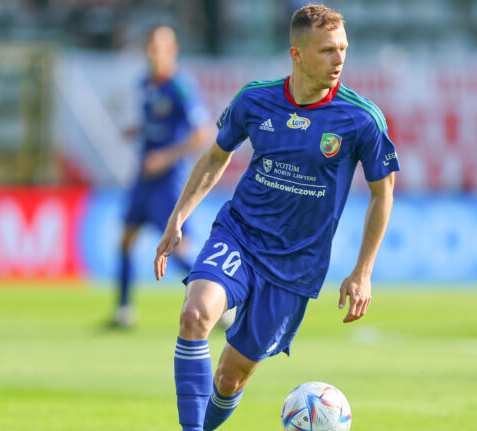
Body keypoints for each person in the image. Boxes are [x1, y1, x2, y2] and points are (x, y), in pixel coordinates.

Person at [153, 5, 399, 430]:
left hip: (295, 267)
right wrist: (179, 217)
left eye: (343, 49)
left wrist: (363, 271)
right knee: (194, 315)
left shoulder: (361, 118)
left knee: (230, 378)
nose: (339, 59)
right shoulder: (256, 99)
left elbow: (383, 193)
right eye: (327, 50)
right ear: (297, 54)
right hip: (240, 237)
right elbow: (215, 156)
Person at [114, 25, 213, 328]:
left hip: (169, 180)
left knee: (178, 249)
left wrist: (165, 157)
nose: (154, 52)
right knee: (126, 240)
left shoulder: (181, 85)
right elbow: (157, 123)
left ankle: (216, 302)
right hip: (144, 178)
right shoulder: (144, 84)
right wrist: (138, 131)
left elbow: (202, 133)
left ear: (173, 50)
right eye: (151, 46)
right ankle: (124, 310)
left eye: (161, 46)